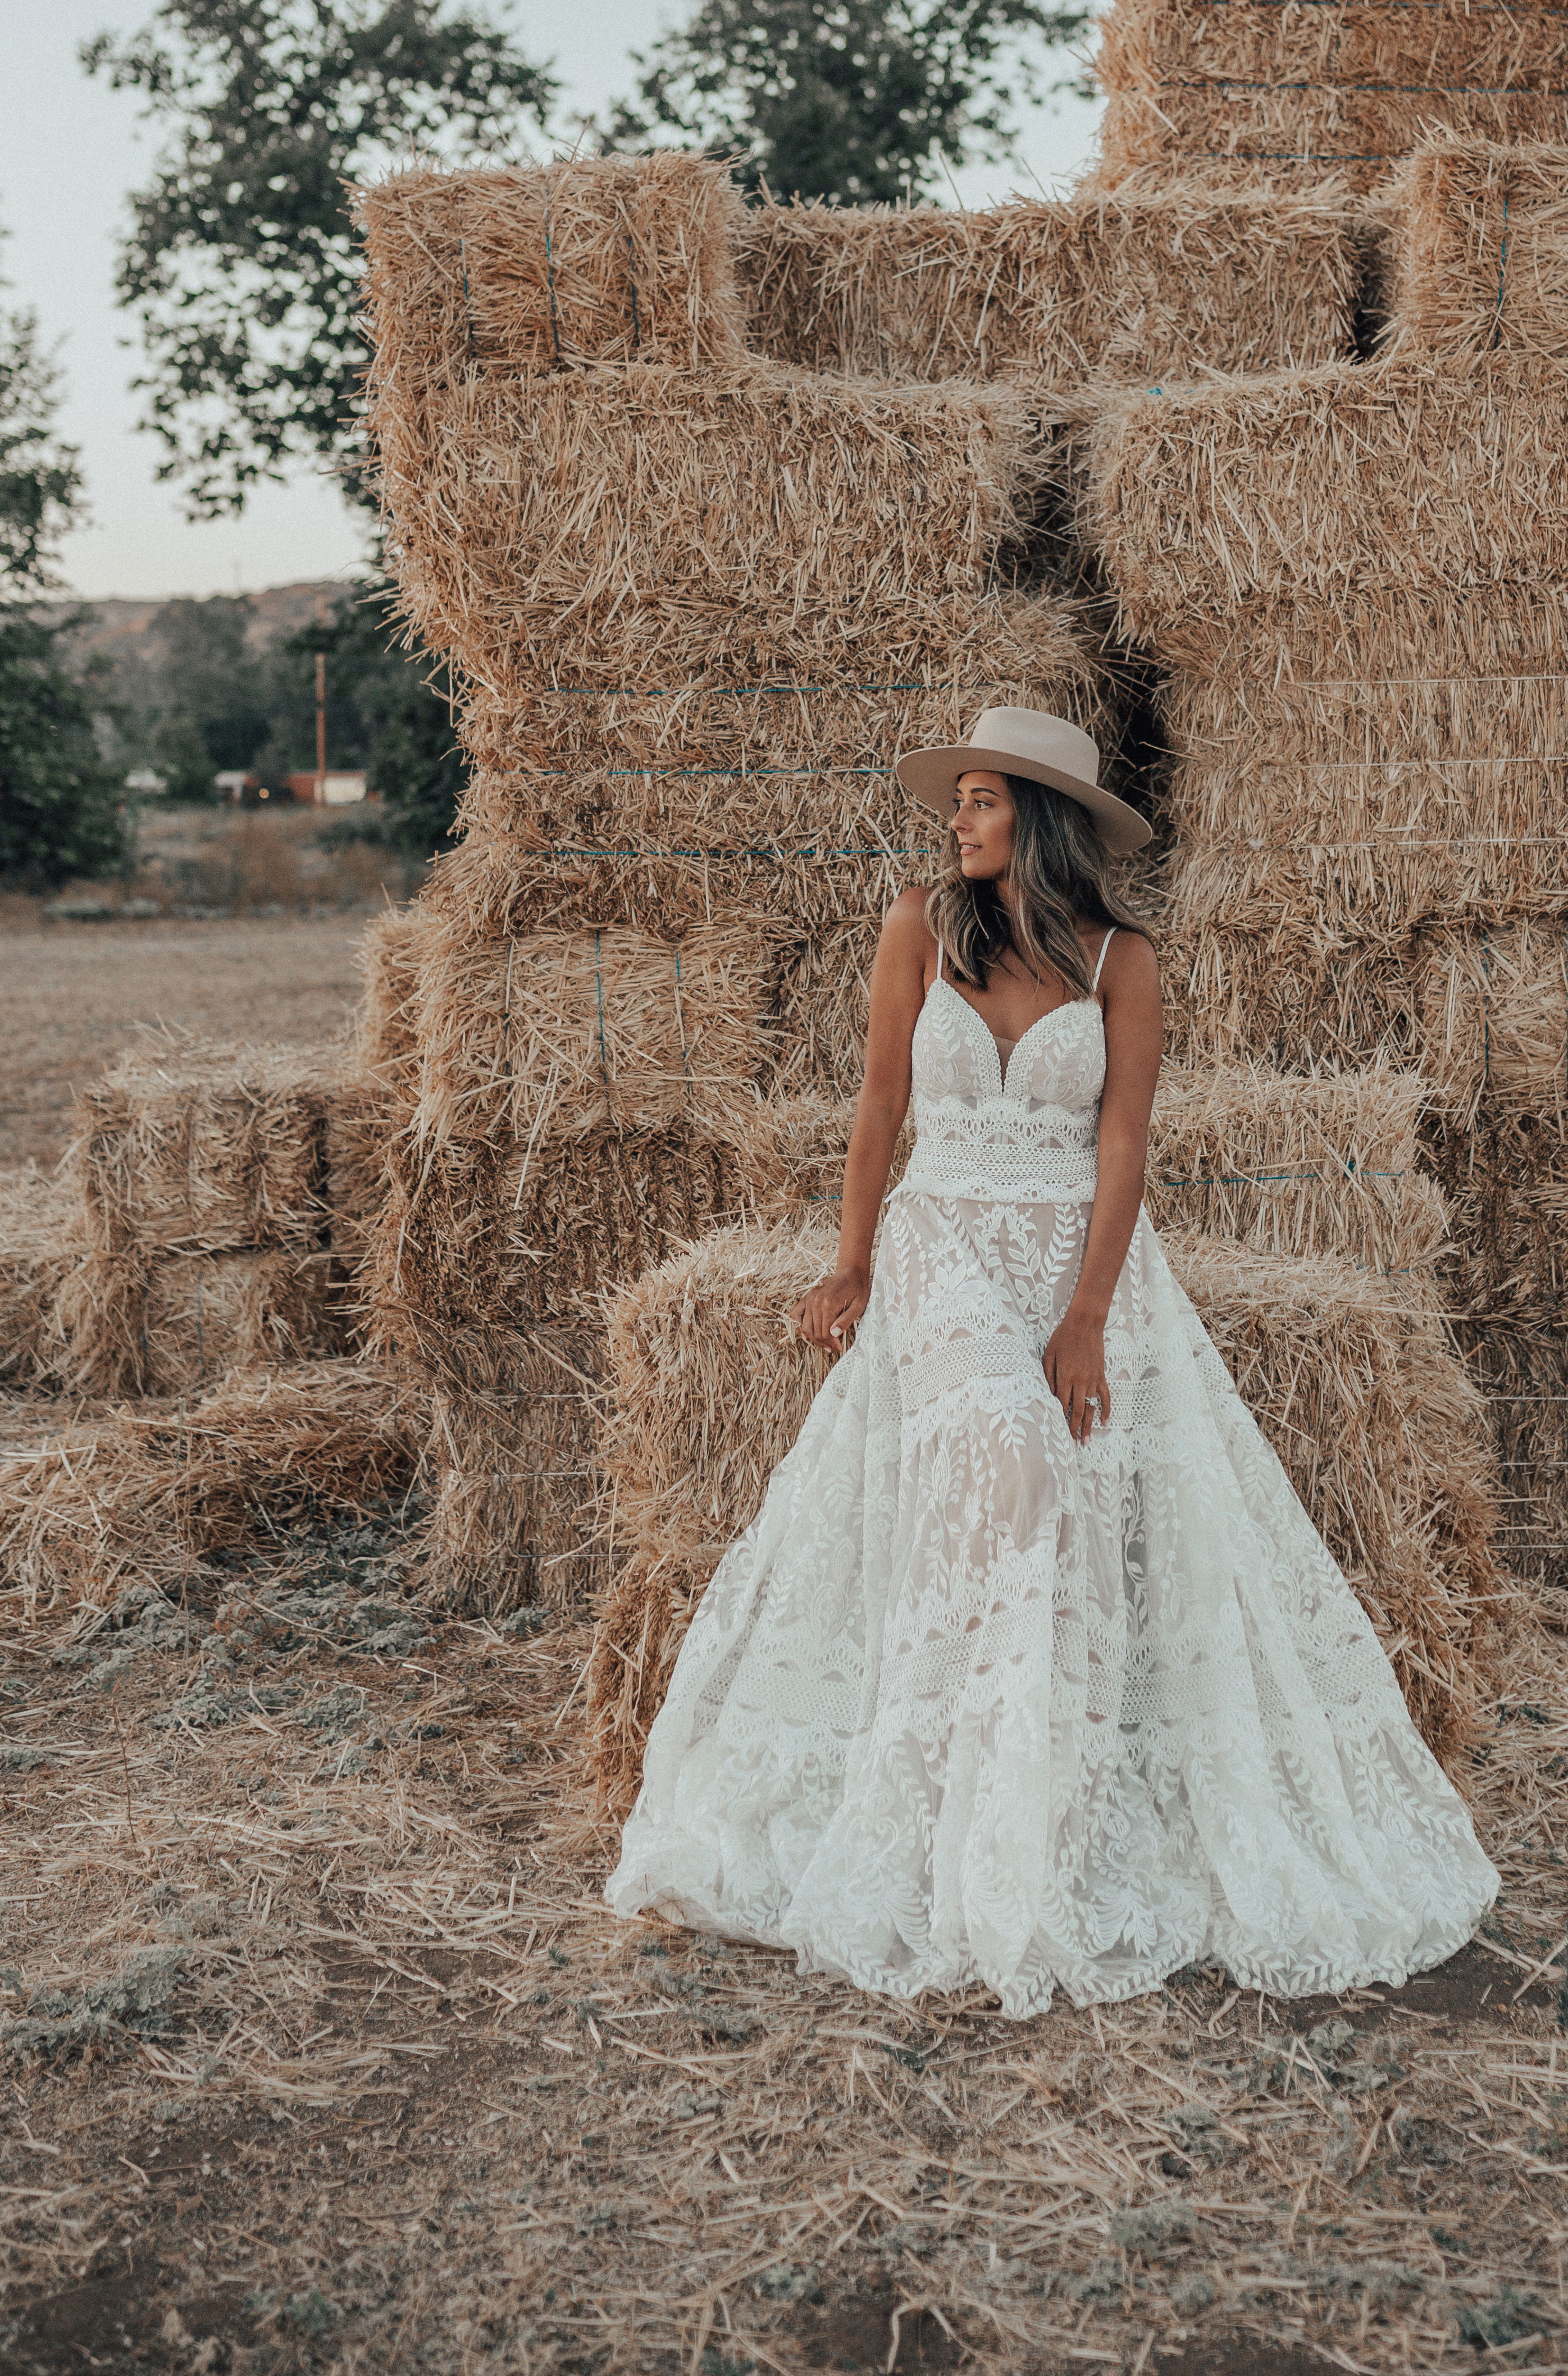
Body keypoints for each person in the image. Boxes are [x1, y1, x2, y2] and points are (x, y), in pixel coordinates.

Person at [604, 705, 1497, 2014]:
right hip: (943, 1246)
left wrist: (1088, 1313)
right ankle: (957, 1817)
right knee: (1016, 1472)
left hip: (1075, 1263)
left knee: (1074, 1504)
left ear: (1044, 818)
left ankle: (1034, 1831)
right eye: (956, 800)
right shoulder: (918, 925)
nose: (957, 821)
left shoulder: (1122, 959)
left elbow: (1123, 1144)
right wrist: (851, 1259)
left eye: (980, 800)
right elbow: (878, 1104)